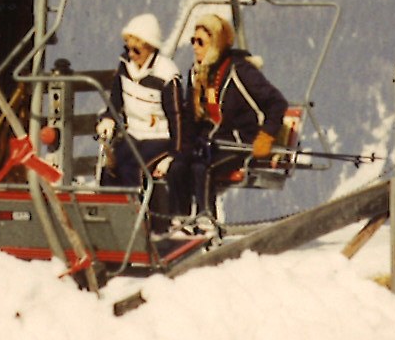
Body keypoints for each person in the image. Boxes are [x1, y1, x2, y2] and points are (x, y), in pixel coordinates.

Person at [176, 12, 288, 229]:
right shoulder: (197, 74)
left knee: (202, 167)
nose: (194, 47)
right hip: (212, 141)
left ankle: (206, 220)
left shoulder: (240, 71)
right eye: (193, 41)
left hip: (242, 141)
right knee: (180, 164)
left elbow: (277, 103)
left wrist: (266, 136)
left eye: (200, 42)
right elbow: (191, 116)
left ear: (216, 44)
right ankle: (180, 219)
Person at [97, 14, 188, 209]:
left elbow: (177, 117)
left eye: (136, 49)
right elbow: (116, 98)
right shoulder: (125, 66)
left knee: (134, 167)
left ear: (149, 46)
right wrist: (108, 119)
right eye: (127, 48)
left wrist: (175, 154)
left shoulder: (166, 75)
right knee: (112, 167)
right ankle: (108, 215)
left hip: (159, 137)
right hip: (134, 134)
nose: (131, 54)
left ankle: (138, 218)